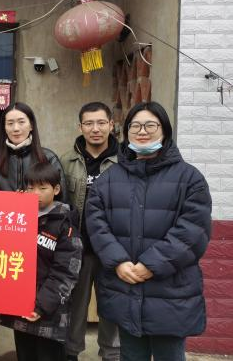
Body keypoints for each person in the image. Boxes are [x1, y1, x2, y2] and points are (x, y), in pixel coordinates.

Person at [86, 102, 212, 361]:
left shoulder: (190, 179)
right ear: (126, 132)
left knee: (169, 355)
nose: (142, 131)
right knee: (131, 355)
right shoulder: (107, 180)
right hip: (125, 286)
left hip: (171, 292)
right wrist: (118, 262)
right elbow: (97, 225)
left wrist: (151, 264)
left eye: (150, 125)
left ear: (164, 130)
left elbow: (193, 231)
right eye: (135, 126)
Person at [0, 162, 82, 361]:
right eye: (30, 188)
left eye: (43, 188)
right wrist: (13, 207)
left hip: (50, 312)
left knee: (48, 355)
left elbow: (66, 272)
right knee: (25, 354)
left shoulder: (65, 224)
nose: (35, 193)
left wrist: (41, 306)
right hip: (21, 307)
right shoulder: (18, 217)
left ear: (56, 189)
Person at [60, 102, 120, 361]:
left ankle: (112, 354)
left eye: (101, 123)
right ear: (80, 127)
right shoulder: (66, 161)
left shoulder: (125, 161)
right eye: (89, 123)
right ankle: (71, 353)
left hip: (113, 251)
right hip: (79, 250)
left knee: (112, 307)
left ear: (111, 125)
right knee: (75, 307)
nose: (95, 129)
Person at [0, 102, 68, 202]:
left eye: (21, 122)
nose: (16, 128)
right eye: (10, 123)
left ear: (31, 125)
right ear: (4, 128)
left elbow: (62, 199)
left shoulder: (48, 157)